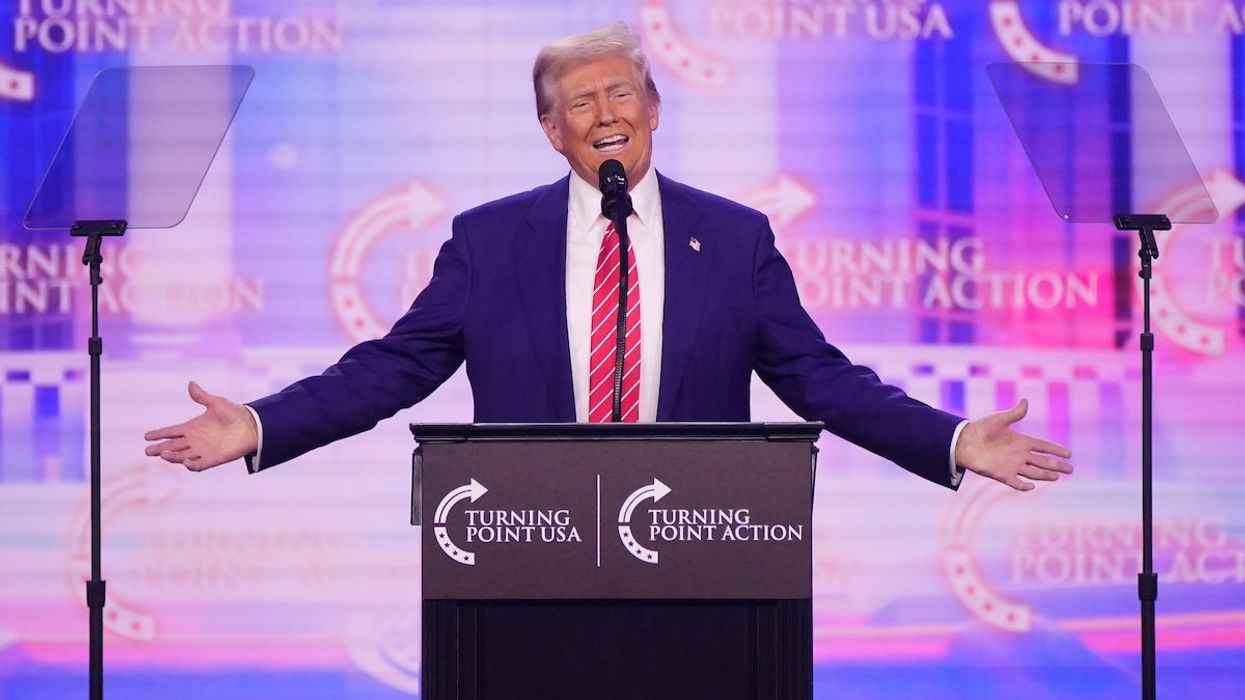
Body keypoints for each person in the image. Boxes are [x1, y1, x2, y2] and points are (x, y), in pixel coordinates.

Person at [145, 22, 1071, 491]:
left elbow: (820, 379)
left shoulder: (736, 238)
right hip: (525, 545)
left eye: (622, 93)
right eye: (579, 103)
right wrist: (261, 425)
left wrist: (949, 439)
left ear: (655, 107)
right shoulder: (489, 241)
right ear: (551, 132)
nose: (606, 115)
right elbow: (392, 367)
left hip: (701, 540)